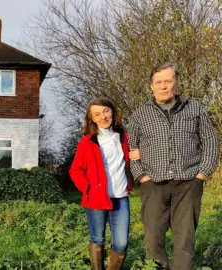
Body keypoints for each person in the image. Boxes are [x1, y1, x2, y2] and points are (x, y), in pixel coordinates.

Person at [128, 62, 220, 269]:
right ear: (151, 86)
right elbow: (131, 149)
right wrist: (142, 176)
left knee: (185, 240)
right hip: (153, 185)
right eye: (158, 82)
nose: (163, 86)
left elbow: (211, 143)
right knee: (153, 239)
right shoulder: (139, 115)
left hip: (188, 184)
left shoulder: (195, 109)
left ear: (176, 83)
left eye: (167, 81)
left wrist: (202, 174)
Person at [69, 97, 134, 270]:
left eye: (106, 111)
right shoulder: (88, 142)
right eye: (97, 114)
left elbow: (132, 158)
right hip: (96, 199)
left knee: (121, 243)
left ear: (112, 111)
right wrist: (88, 189)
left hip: (120, 198)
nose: (103, 116)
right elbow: (75, 170)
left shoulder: (124, 136)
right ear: (92, 119)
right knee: (98, 239)